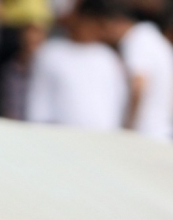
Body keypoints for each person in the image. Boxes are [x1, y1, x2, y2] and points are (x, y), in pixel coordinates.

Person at [79, 0, 173, 142]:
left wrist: (128, 128)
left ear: (112, 22)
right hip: (161, 131)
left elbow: (138, 85)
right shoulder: (153, 37)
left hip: (146, 134)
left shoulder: (136, 40)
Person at [25, 7, 128, 130]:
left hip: (102, 136)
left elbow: (118, 100)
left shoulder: (107, 57)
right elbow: (38, 100)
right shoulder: (50, 53)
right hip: (59, 135)